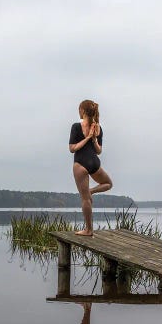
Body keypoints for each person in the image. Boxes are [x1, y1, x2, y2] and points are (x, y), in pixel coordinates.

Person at [68, 99, 113, 236]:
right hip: (94, 162)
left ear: (82, 110)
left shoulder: (76, 127)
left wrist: (90, 139)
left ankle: (88, 230)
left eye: (79, 109)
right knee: (108, 184)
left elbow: (72, 148)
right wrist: (91, 138)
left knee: (85, 198)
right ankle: (91, 191)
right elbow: (99, 151)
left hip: (80, 164)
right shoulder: (98, 128)